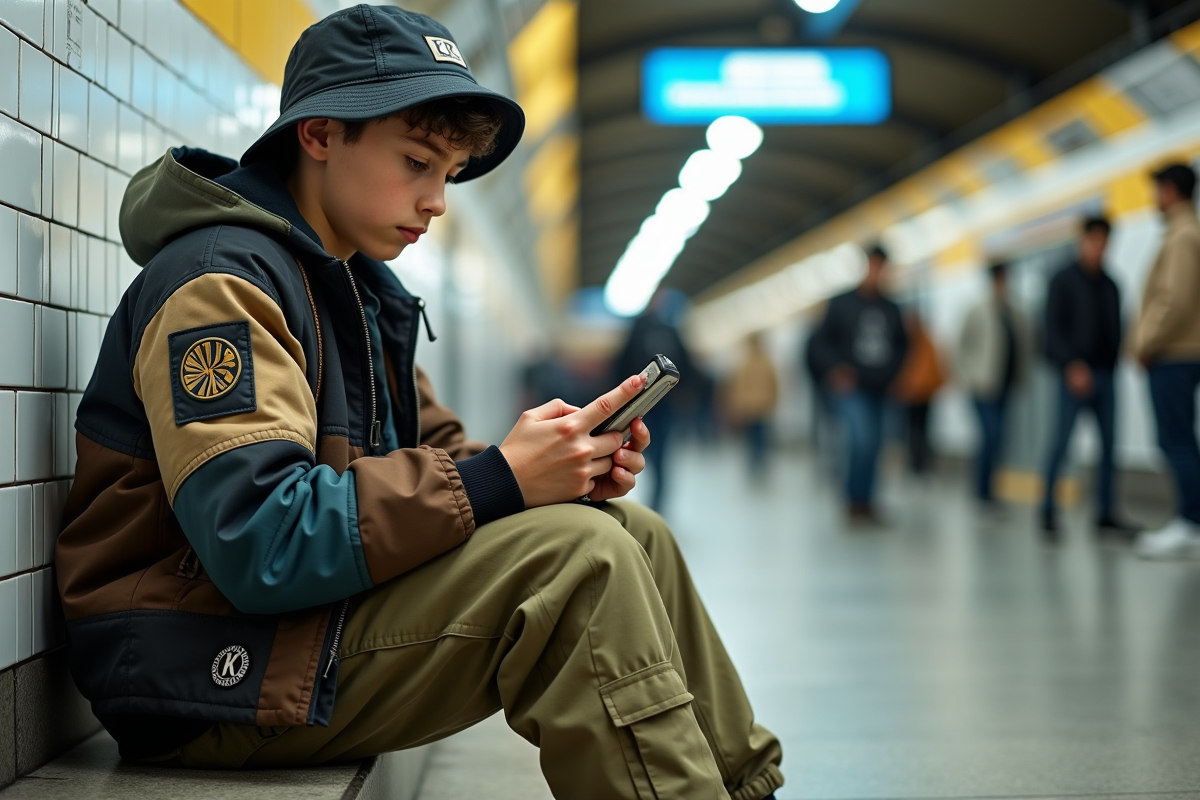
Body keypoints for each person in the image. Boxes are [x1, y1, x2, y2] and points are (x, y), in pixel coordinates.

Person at [54, 8, 784, 800]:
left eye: (448, 173)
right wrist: (502, 479)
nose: (437, 200)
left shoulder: (359, 293)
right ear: (322, 133)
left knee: (627, 531)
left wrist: (560, 466)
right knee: (581, 563)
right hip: (198, 672)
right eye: (416, 162)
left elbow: (446, 463)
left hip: (295, 629)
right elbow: (261, 539)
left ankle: (745, 791)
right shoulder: (221, 287)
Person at [1040, 216, 1137, 542]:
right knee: (1060, 444)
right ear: (1082, 241)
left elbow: (1116, 329)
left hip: (1105, 376)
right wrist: (1070, 365)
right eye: (1093, 240)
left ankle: (1105, 514)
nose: (1098, 247)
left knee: (1109, 447)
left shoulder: (1111, 284)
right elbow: (1051, 331)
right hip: (1073, 375)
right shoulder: (1062, 280)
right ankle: (1048, 512)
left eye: (1103, 241)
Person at [808, 244, 908, 522]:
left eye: (883, 267)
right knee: (861, 438)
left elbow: (903, 346)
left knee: (876, 444)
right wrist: (834, 370)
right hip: (850, 387)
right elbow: (819, 343)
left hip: (882, 387)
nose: (878, 273)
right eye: (874, 266)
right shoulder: (841, 303)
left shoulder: (892, 308)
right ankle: (853, 500)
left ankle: (867, 501)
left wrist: (896, 376)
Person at [1133, 163, 1200, 560]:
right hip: (1182, 351)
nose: (1154, 199)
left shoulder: (1182, 236)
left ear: (1171, 191)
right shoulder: (1186, 233)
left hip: (1174, 353)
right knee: (1180, 437)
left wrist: (1144, 341)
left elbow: (1173, 300)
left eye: (1157, 190)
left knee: (1175, 438)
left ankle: (1190, 522)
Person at [955, 263, 1033, 511]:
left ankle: (991, 490)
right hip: (982, 387)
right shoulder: (977, 311)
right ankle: (981, 491)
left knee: (1000, 439)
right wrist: (969, 377)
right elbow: (961, 347)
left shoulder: (1016, 314)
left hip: (1005, 387)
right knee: (991, 435)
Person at [612, 290, 698, 512]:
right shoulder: (651, 329)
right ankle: (649, 500)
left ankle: (657, 503)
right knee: (645, 452)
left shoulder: (661, 329)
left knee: (658, 455)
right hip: (645, 405)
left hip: (658, 405)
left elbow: (684, 366)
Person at [891, 310, 946, 475]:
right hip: (912, 395)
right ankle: (915, 465)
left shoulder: (922, 342)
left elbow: (933, 369)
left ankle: (919, 466)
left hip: (922, 395)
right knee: (914, 431)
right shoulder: (908, 342)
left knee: (919, 431)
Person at [723, 333, 780, 477]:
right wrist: (774, 400)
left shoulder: (745, 362)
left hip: (749, 405)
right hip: (763, 404)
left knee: (752, 436)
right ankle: (760, 460)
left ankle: (754, 461)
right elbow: (774, 384)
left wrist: (736, 404)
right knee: (761, 435)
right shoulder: (767, 361)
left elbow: (738, 385)